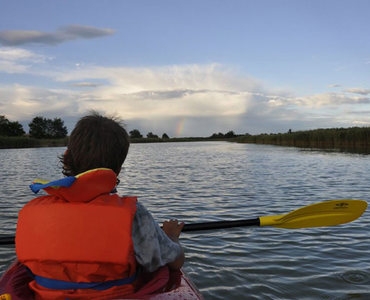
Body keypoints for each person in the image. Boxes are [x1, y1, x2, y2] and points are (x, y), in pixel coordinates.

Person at [15, 112, 185, 299]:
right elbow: (175, 262)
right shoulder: (134, 214)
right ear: (118, 169)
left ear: (66, 156)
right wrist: (171, 237)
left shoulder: (35, 210)